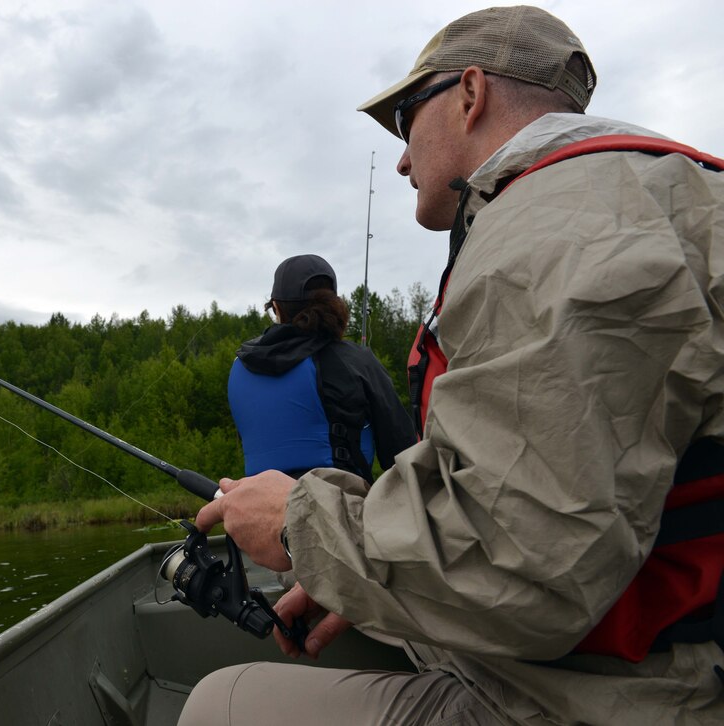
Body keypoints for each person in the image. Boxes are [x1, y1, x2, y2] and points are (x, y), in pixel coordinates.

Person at [179, 5, 724, 725]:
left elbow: (524, 569)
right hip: (620, 639)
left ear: (471, 94)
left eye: (406, 119)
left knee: (215, 706)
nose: (401, 158)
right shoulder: (660, 197)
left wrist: (300, 528)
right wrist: (361, 585)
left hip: (616, 694)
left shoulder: (550, 231)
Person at [228, 254, 415, 482]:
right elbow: (403, 454)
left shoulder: (240, 366)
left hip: (256, 509)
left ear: (276, 307)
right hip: (335, 507)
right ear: (333, 304)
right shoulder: (356, 360)